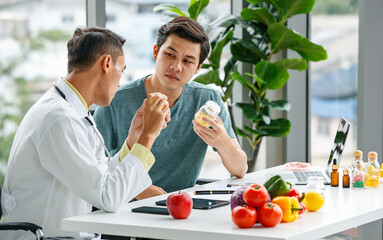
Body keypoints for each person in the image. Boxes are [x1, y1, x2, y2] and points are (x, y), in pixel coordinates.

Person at [0, 27, 169, 239]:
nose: (120, 81)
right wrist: (148, 137)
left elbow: (101, 179)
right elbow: (108, 197)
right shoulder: (58, 118)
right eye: (122, 70)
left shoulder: (71, 111)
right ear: (107, 63)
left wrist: (133, 141)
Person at [94, 16, 248, 199]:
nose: (176, 67)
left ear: (198, 68)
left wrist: (222, 142)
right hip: (122, 208)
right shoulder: (115, 100)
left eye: (188, 61)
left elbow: (240, 169)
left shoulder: (207, 101)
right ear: (155, 52)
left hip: (181, 212)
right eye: (170, 55)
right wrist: (136, 189)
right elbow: (93, 170)